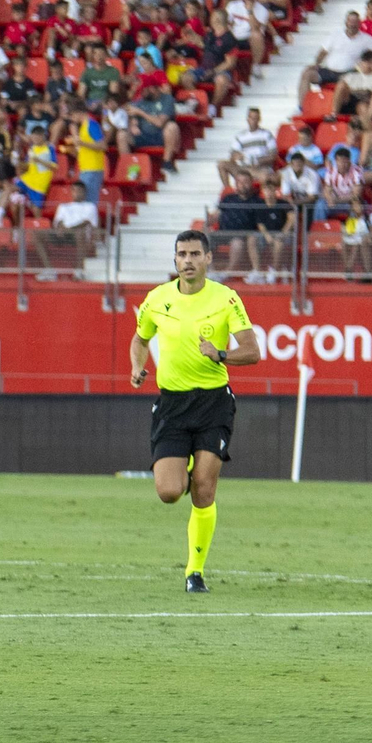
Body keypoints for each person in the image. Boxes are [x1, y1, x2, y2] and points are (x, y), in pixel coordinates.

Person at [129, 230, 261, 593]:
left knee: (204, 490)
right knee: (170, 492)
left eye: (194, 254)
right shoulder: (157, 299)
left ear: (207, 259)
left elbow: (252, 350)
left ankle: (194, 572)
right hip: (172, 404)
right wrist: (137, 367)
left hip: (213, 403)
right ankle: (184, 469)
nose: (187, 260)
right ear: (174, 260)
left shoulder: (226, 299)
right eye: (181, 254)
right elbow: (140, 339)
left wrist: (220, 354)